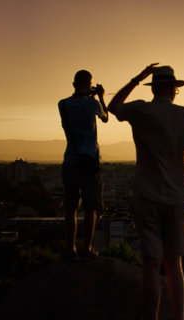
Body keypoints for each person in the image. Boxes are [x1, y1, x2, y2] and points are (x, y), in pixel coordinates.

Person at [108, 64, 184, 320]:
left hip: (146, 196)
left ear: (153, 88)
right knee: (174, 264)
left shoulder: (140, 110)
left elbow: (114, 107)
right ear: (174, 89)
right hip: (176, 199)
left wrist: (135, 78)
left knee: (151, 265)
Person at [58, 69, 108, 261]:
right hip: (90, 162)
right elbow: (105, 117)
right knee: (90, 208)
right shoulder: (92, 104)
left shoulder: (62, 105)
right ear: (90, 84)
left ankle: (70, 248)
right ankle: (87, 248)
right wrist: (100, 97)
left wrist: (87, 94)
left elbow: (76, 102)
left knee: (70, 208)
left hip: (70, 160)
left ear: (73, 84)